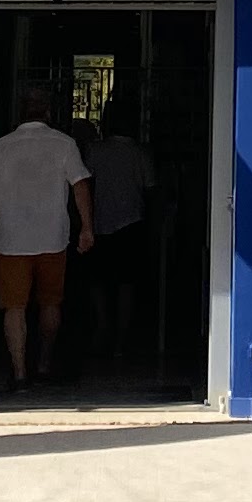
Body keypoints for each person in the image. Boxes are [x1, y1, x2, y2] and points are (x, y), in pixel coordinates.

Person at [0, 81, 92, 392]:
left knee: (14, 307)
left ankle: (19, 372)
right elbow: (80, 184)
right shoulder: (64, 144)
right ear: (49, 112)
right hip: (53, 237)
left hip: (10, 240)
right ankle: (44, 363)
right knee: (51, 302)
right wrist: (87, 227)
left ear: (20, 112)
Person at [81, 94, 156, 369]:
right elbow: (151, 189)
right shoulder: (140, 153)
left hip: (99, 223)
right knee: (127, 283)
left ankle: (103, 326)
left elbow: (84, 184)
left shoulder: (94, 151)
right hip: (132, 224)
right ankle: (121, 341)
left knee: (97, 280)